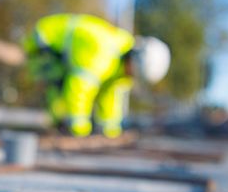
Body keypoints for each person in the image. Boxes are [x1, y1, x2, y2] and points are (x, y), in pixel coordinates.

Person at [22, 14, 170, 138]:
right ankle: (54, 126)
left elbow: (111, 96)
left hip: (62, 51)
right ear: (134, 59)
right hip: (45, 40)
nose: (132, 77)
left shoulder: (121, 68)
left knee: (62, 94)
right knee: (58, 85)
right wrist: (79, 129)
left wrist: (111, 132)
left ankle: (56, 127)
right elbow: (78, 89)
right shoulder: (103, 54)